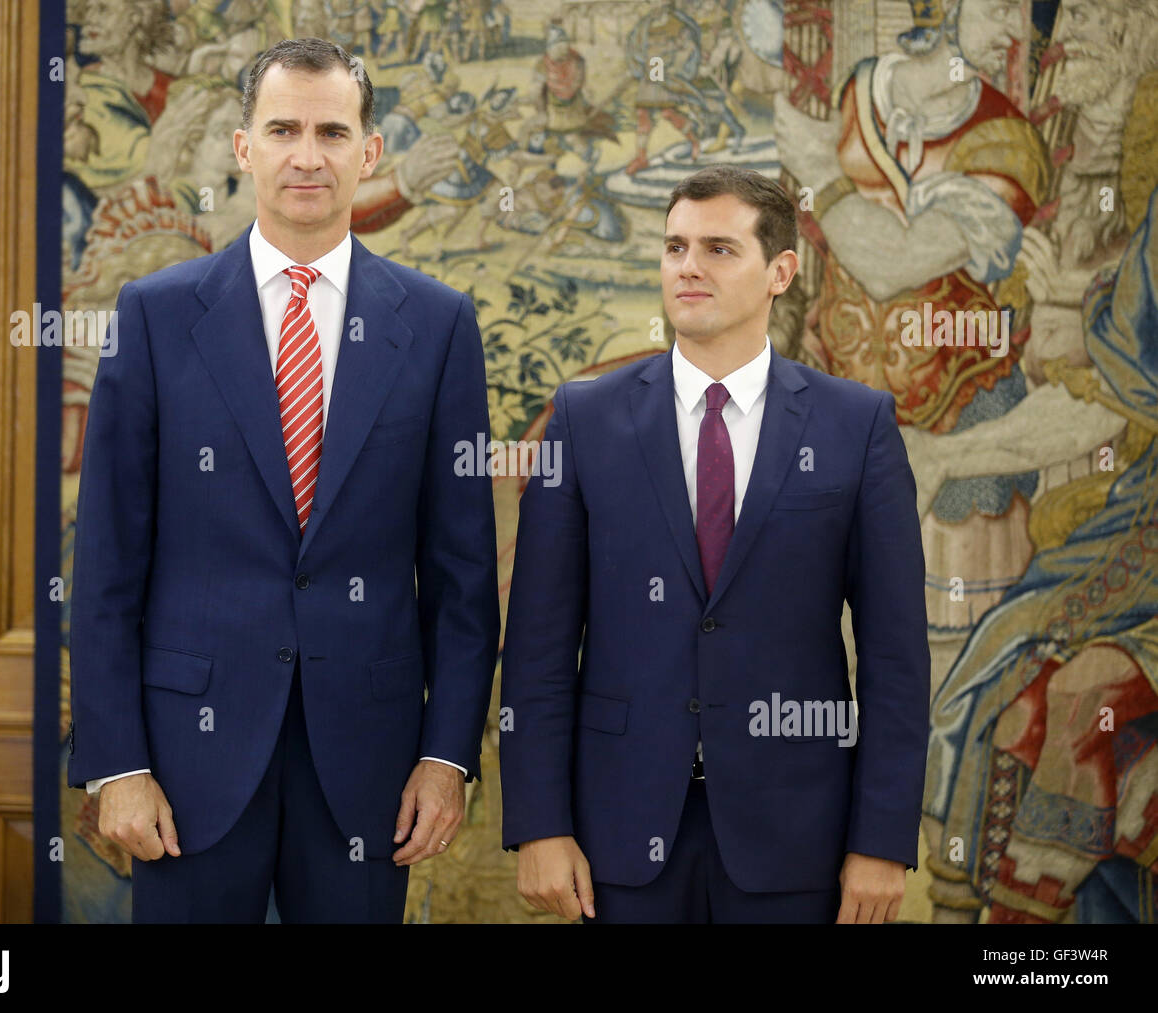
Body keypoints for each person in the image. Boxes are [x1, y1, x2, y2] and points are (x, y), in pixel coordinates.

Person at [66, 37, 500, 923]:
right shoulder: (154, 317)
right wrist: (118, 762)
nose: (309, 154)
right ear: (243, 146)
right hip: (187, 760)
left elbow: (463, 578)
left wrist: (447, 756)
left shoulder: (440, 326)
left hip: (370, 766)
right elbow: (107, 565)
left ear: (369, 152)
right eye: (284, 129)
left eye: (333, 131)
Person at [500, 165, 930, 923]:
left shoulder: (856, 426)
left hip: (801, 841)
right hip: (617, 838)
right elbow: (538, 645)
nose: (688, 266)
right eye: (674, 247)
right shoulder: (584, 419)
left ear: (780, 272)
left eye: (719, 249)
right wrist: (540, 821)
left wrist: (882, 840)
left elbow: (896, 656)